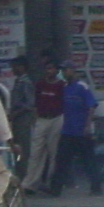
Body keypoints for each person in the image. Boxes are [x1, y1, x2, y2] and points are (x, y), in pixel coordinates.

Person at [25, 56, 65, 193]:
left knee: (54, 154)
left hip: (56, 119)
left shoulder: (61, 85)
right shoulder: (40, 84)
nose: (49, 71)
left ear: (56, 70)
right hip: (42, 119)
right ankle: (30, 184)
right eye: (47, 69)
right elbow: (36, 103)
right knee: (35, 153)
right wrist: (34, 119)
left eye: (52, 69)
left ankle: (52, 184)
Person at [57, 70, 98, 196]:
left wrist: (87, 126)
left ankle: (96, 187)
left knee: (88, 161)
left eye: (67, 70)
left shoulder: (82, 87)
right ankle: (56, 188)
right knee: (61, 160)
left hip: (81, 131)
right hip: (67, 130)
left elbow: (91, 106)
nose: (65, 73)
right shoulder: (64, 88)